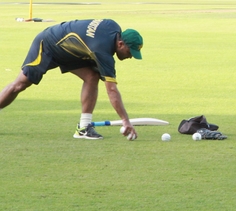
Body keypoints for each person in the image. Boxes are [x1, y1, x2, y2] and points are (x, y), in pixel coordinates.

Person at [0, 19, 144, 140]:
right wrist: (125, 120)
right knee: (20, 84)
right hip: (48, 44)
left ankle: (83, 128)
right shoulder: (102, 50)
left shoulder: (112, 26)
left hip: (71, 50)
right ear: (120, 44)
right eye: (130, 52)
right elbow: (111, 90)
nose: (131, 56)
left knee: (92, 76)